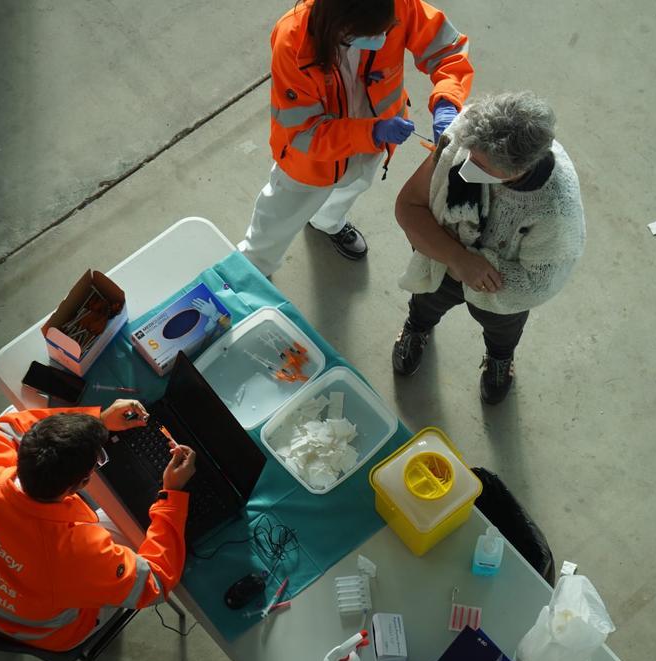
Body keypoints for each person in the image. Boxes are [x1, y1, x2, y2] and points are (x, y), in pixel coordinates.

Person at [237, 0, 473, 277]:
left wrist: (447, 98)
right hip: (311, 160)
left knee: (351, 187)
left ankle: (327, 222)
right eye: (372, 34)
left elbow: (448, 49)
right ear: (338, 25)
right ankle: (254, 268)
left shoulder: (396, 5)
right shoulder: (293, 44)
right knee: (279, 216)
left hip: (372, 145)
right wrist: (370, 131)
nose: (382, 39)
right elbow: (303, 132)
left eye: (388, 29)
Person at [0, 400, 195, 651]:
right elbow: (156, 582)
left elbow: (7, 427)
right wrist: (171, 494)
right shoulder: (76, 556)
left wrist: (99, 419)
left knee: (13, 409)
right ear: (81, 483)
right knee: (129, 528)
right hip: (39, 631)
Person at [391, 92, 586, 404]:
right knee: (426, 302)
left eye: (480, 165)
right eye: (468, 153)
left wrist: (476, 265)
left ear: (516, 170)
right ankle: (417, 328)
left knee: (503, 331)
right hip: (443, 260)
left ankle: (499, 358)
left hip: (500, 288)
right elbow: (408, 206)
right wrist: (456, 258)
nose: (464, 163)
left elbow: (540, 283)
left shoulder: (556, 208)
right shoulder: (466, 134)